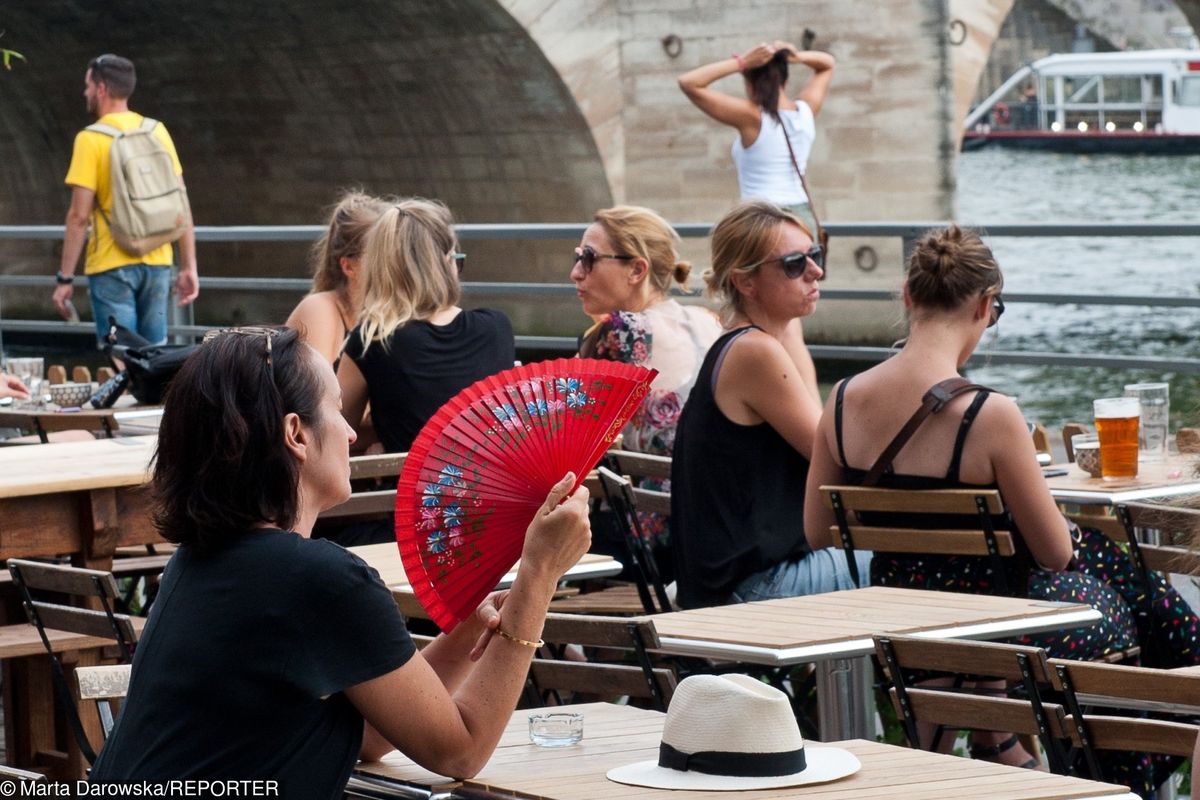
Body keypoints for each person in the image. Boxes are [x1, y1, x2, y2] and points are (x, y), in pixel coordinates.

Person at [88, 327, 591, 797]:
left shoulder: (202, 560)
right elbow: (460, 749)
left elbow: (371, 734)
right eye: (335, 408)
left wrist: (468, 628)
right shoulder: (317, 580)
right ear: (296, 434)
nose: (352, 433)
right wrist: (539, 574)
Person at [803, 226, 1199, 790]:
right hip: (997, 631)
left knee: (1132, 594)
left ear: (908, 297)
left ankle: (1006, 744)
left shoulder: (839, 400)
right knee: (1132, 609)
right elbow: (1055, 553)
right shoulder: (988, 415)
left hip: (900, 621)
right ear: (987, 307)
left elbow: (818, 531)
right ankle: (1109, 778)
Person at [670, 200, 869, 610]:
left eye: (816, 255)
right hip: (755, 587)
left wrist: (788, 320)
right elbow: (829, 454)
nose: (816, 271)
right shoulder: (755, 353)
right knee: (920, 561)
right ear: (745, 282)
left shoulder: (750, 341)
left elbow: (817, 426)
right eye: (795, 264)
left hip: (728, 581)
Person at [573, 205, 721, 576]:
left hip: (649, 543)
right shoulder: (708, 320)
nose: (576, 273)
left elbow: (571, 439)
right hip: (710, 523)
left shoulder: (621, 331)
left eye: (589, 259)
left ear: (637, 270)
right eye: (578, 258)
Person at [338, 198, 515, 455]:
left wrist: (384, 438)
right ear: (446, 264)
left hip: (414, 492)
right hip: (494, 490)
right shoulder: (497, 328)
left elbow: (336, 433)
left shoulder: (374, 340)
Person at [52, 54, 198, 346]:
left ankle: (133, 393)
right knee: (153, 353)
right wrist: (189, 266)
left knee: (121, 353)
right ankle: (151, 395)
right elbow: (180, 203)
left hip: (110, 263)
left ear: (102, 89)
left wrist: (65, 278)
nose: (85, 93)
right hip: (158, 259)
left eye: (88, 86)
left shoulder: (90, 139)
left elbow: (79, 216)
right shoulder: (157, 131)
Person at [678, 40, 834, 235]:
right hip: (802, 218)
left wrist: (741, 63)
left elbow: (689, 83)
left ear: (749, 83)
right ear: (784, 80)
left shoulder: (752, 117)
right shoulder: (805, 111)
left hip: (762, 219)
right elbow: (827, 64)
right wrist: (796, 57)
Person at [286, 191, 391, 366]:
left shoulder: (387, 315)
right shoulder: (319, 309)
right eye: (381, 254)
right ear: (349, 266)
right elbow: (317, 392)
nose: (396, 262)